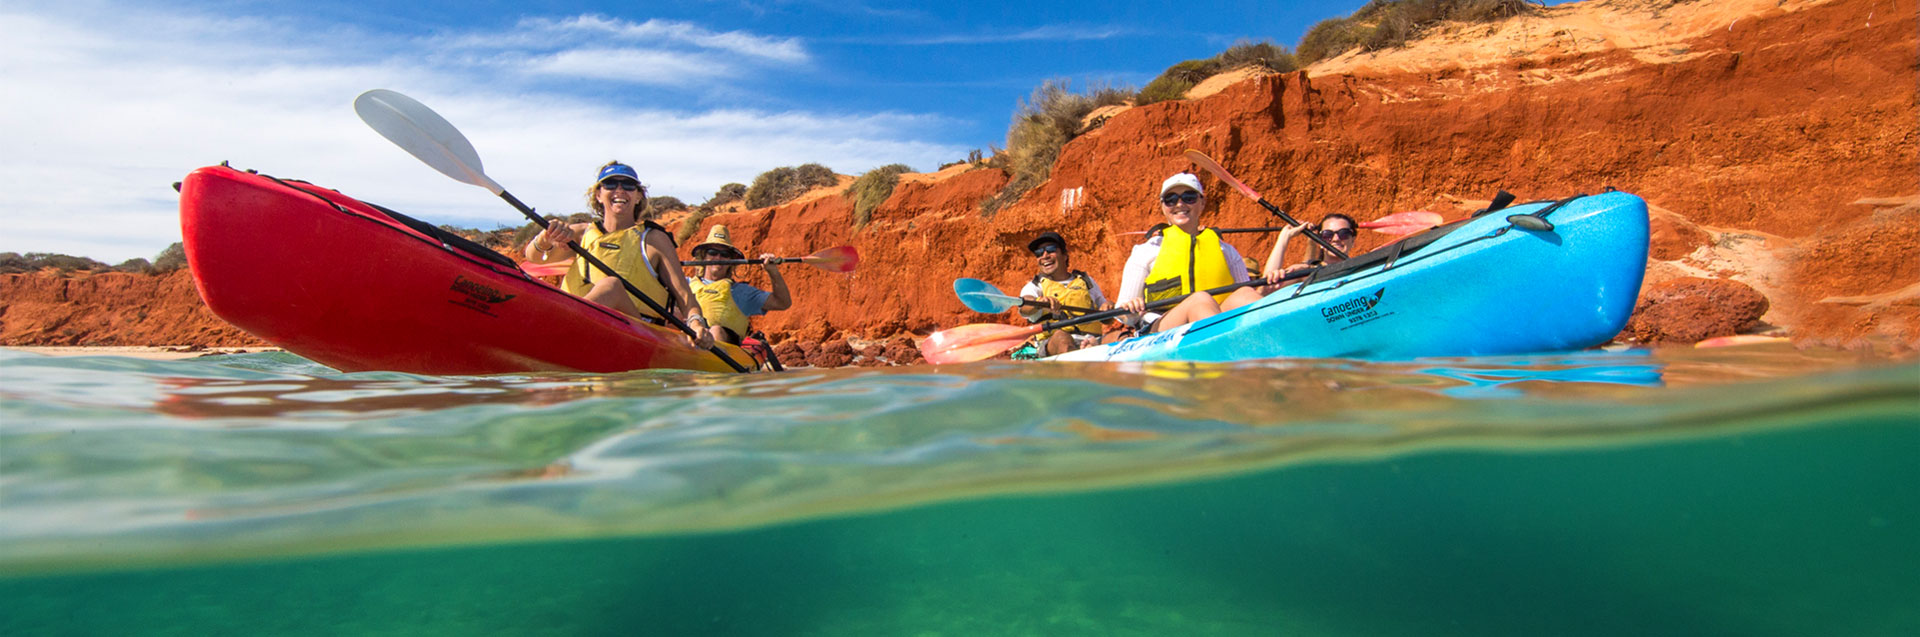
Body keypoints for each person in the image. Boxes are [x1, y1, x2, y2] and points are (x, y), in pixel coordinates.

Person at [523, 161, 712, 349]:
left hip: (636, 333)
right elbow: (533, 256)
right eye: (611, 184)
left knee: (612, 286)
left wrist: (696, 323)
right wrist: (546, 238)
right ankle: (562, 331)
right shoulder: (580, 233)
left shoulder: (654, 239)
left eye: (628, 185)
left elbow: (684, 295)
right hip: (581, 321)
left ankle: (549, 338)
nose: (620, 190)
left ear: (638, 196)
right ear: (598, 195)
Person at [1113, 173, 1250, 335]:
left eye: (1189, 197)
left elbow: (1247, 290)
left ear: (1202, 203)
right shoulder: (1145, 252)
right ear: (1163, 206)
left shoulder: (1226, 251)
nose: (1179, 204)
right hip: (1161, 329)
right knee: (1200, 300)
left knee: (1246, 293)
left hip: (1215, 316)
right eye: (1171, 199)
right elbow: (1123, 314)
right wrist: (1131, 307)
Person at [1220, 213, 1359, 311]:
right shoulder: (1304, 271)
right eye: (1327, 235)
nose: (1335, 239)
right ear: (1320, 242)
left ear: (1352, 239)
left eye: (1344, 233)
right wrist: (1284, 238)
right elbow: (1265, 289)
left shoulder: (1365, 268)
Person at [685, 225, 791, 346]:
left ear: (731, 261)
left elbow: (782, 302)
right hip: (686, 345)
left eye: (724, 254)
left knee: (716, 331)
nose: (718, 257)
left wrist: (773, 272)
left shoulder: (741, 292)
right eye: (712, 252)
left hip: (724, 349)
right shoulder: (685, 284)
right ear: (704, 256)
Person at [1012, 231, 1110, 359]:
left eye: (1051, 250)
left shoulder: (1086, 281)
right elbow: (1024, 307)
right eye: (1039, 253)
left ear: (1064, 255)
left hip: (1092, 341)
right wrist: (1039, 302)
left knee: (1120, 335)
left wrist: (1108, 306)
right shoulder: (1035, 286)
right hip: (1054, 343)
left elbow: (1108, 318)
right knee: (1062, 337)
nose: (1045, 256)